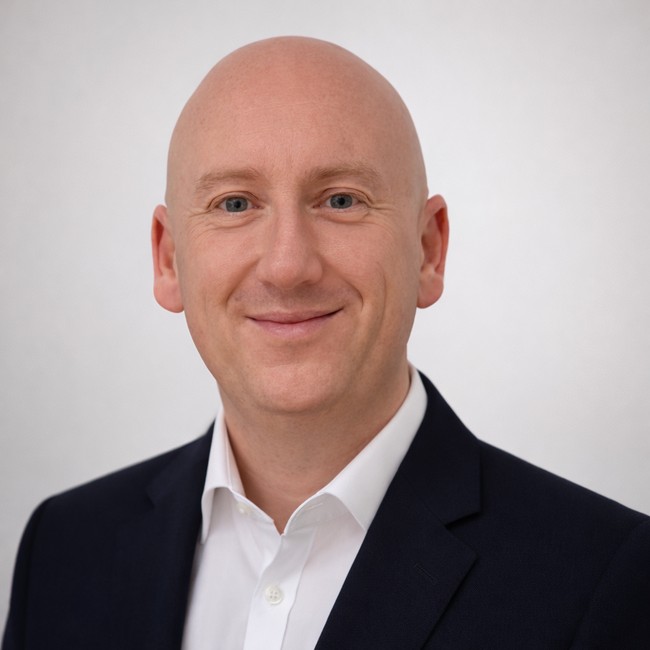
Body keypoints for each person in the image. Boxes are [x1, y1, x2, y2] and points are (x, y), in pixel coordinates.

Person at [3, 36, 650, 650]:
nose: (288, 266)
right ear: (168, 260)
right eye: (235, 205)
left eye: (341, 200)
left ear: (428, 250)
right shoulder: (63, 549)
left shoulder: (606, 578)